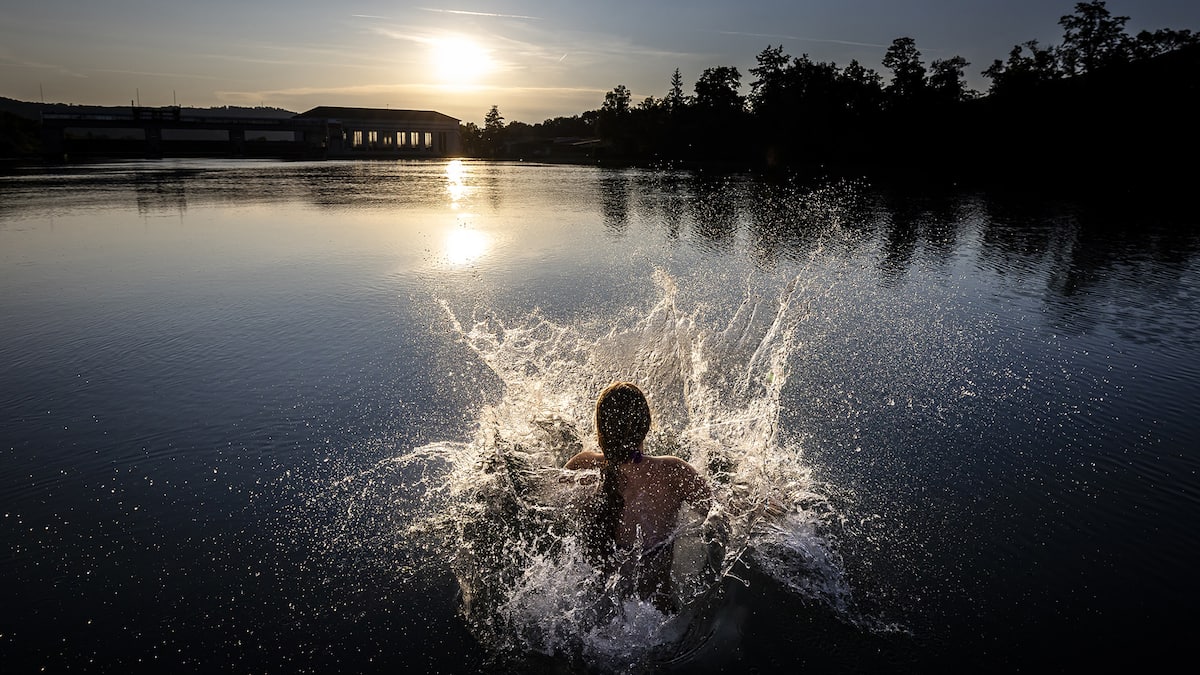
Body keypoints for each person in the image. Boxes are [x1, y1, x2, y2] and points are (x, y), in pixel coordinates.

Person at [565, 381, 712, 611]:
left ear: (601, 428)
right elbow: (722, 513)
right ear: (646, 425)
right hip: (654, 616)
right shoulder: (673, 472)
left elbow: (541, 501)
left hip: (595, 613)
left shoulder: (582, 466)